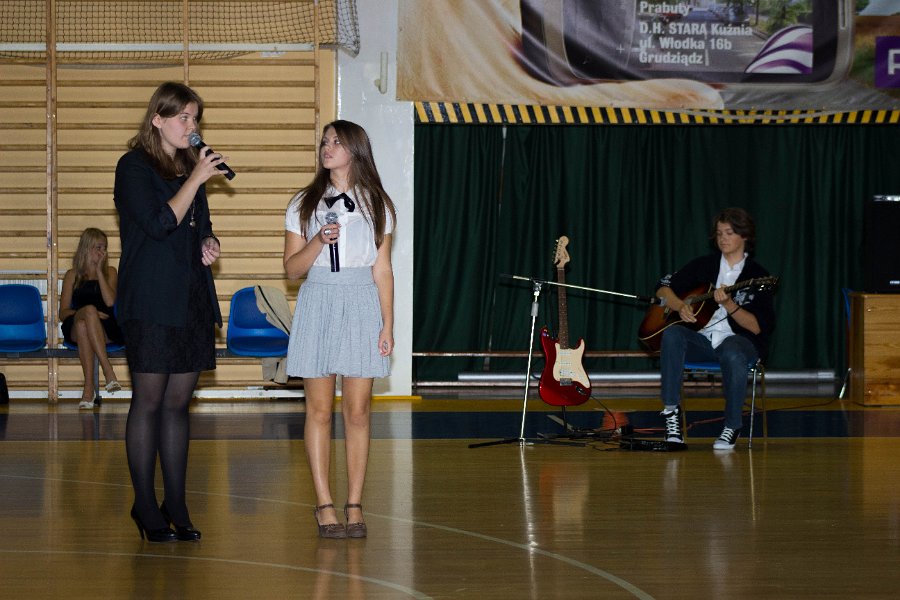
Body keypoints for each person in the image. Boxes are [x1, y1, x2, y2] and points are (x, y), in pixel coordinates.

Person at [114, 81, 228, 542]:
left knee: (179, 404)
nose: (191, 126)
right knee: (149, 401)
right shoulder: (133, 167)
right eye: (183, 117)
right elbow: (160, 223)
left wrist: (208, 243)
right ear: (157, 119)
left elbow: (199, 225)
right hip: (150, 299)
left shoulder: (187, 167)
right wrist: (196, 179)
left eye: (195, 118)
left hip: (190, 298)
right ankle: (144, 505)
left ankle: (176, 503)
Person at [283, 120, 396, 539]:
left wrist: (387, 324)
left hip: (361, 301)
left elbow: (382, 270)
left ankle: (354, 503)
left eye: (336, 141)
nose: (327, 147)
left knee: (358, 411)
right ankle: (324, 504)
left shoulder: (378, 203)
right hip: (318, 299)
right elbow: (292, 270)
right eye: (324, 141)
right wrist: (317, 240)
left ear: (356, 149)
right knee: (318, 410)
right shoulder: (303, 203)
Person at [655, 207, 775, 450]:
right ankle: (671, 413)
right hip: (704, 341)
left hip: (740, 342)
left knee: (732, 351)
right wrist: (680, 306)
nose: (723, 238)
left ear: (745, 236)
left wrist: (729, 304)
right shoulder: (704, 266)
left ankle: (732, 425)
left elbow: (757, 327)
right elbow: (662, 288)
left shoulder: (757, 276)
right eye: (719, 233)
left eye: (729, 233)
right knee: (672, 333)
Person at [59, 228, 124, 409]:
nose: (103, 252)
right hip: (75, 321)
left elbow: (110, 301)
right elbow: (63, 313)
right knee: (88, 312)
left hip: (105, 326)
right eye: (98, 247)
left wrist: (99, 272)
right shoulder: (72, 275)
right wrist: (89, 313)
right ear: (86, 248)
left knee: (84, 325)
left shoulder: (110, 272)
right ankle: (108, 370)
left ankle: (88, 389)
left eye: (105, 248)